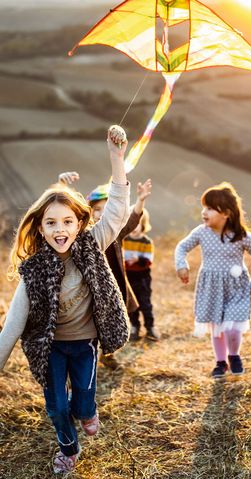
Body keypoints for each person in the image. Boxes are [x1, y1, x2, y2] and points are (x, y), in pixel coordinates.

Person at [0, 125, 130, 474]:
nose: (60, 229)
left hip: (85, 343)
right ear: (40, 228)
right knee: (57, 406)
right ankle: (68, 449)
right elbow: (12, 324)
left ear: (79, 223)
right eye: (52, 223)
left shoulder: (91, 245)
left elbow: (117, 209)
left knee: (84, 401)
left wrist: (116, 159)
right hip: (52, 346)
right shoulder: (35, 270)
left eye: (68, 222)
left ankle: (87, 412)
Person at [59, 171, 152, 368]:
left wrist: (140, 201)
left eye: (106, 208)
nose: (101, 213)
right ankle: (90, 355)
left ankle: (108, 354)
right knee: (92, 323)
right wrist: (63, 187)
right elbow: (64, 213)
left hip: (113, 285)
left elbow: (133, 220)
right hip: (90, 289)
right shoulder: (85, 237)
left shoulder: (115, 233)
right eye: (97, 209)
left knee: (111, 321)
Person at [175, 182, 251, 379]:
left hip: (237, 288)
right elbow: (181, 247)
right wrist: (181, 265)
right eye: (203, 207)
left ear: (225, 213)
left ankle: (234, 356)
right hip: (211, 287)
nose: (204, 212)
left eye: (209, 208)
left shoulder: (240, 235)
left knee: (232, 328)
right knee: (217, 328)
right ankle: (220, 362)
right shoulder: (201, 232)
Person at [123, 208, 158, 341]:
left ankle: (150, 327)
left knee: (145, 303)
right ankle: (134, 327)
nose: (135, 227)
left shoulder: (146, 241)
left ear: (143, 224)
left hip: (142, 277)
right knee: (132, 304)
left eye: (138, 224)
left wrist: (138, 260)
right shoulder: (124, 240)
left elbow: (148, 260)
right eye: (132, 223)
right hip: (129, 276)